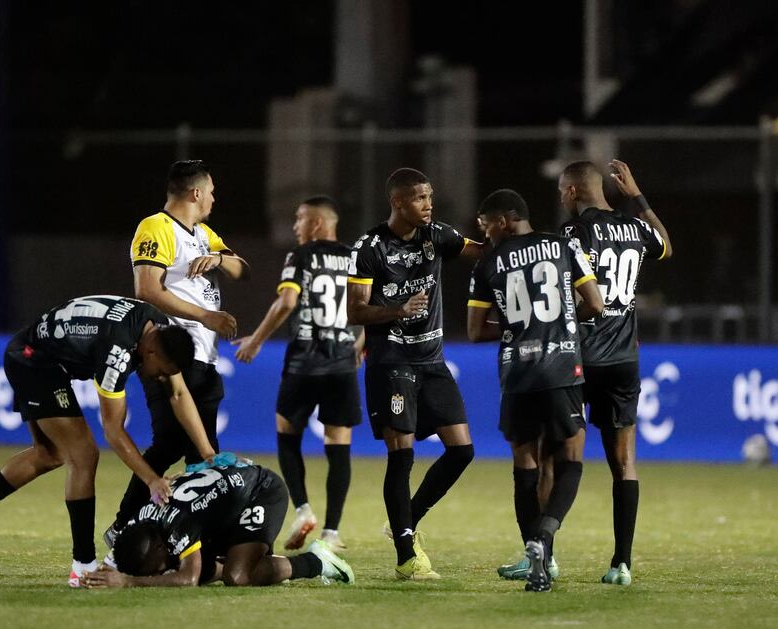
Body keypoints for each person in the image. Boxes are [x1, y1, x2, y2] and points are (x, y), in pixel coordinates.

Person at [0, 295, 216, 587]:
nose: (159, 378)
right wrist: (152, 480)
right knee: (83, 455)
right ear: (153, 352)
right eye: (161, 372)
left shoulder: (160, 328)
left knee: (49, 454)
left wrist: (207, 452)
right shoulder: (116, 352)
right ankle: (82, 565)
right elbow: (114, 431)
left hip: (36, 352)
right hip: (34, 361)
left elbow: (179, 394)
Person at [347, 168, 482, 580]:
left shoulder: (436, 235)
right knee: (401, 456)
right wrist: (397, 311)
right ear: (398, 203)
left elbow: (479, 250)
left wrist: (509, 239)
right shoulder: (369, 247)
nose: (429, 204)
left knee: (462, 450)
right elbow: (354, 310)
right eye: (420, 198)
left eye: (430, 196)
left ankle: (405, 520)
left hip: (432, 361)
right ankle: (407, 556)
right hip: (391, 363)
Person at [106, 160, 250, 546]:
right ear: (196, 193)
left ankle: (191, 536)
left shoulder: (203, 234)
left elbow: (243, 270)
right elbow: (148, 290)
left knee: (197, 452)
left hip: (203, 357)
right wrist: (206, 315)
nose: (215, 199)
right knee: (176, 442)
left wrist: (220, 259)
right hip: (168, 355)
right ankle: (129, 528)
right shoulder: (156, 227)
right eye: (212, 192)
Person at [467, 189, 604, 592]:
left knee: (525, 465)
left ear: (506, 220)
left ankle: (535, 561)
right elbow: (595, 304)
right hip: (562, 366)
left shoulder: (487, 263)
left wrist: (516, 328)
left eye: (485, 224)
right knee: (570, 458)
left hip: (517, 374)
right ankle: (545, 538)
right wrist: (561, 322)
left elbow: (475, 331)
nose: (483, 234)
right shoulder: (563, 246)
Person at [555, 159, 672, 586]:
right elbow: (665, 243)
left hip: (579, 357)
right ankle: (622, 563)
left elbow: (572, 292)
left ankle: (543, 554)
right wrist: (636, 194)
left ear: (571, 192)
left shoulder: (573, 233)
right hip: (624, 358)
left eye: (561, 191)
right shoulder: (632, 227)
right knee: (624, 463)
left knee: (562, 456)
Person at [232, 196, 363, 553]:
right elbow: (367, 307)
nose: (295, 225)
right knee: (339, 443)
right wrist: (360, 344)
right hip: (341, 361)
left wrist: (256, 341)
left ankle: (303, 509)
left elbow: (287, 302)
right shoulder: (355, 257)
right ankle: (332, 533)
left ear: (318, 224)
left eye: (300, 218)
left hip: (304, 359)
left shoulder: (300, 256)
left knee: (286, 432)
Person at [80, 462, 354, 588]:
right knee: (185, 565)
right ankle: (247, 554)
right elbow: (121, 557)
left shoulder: (178, 524)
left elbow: (187, 579)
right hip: (222, 508)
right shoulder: (139, 523)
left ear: (162, 544)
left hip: (261, 491)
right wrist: (101, 574)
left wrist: (129, 582)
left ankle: (317, 561)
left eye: (155, 569)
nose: (156, 573)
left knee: (239, 576)